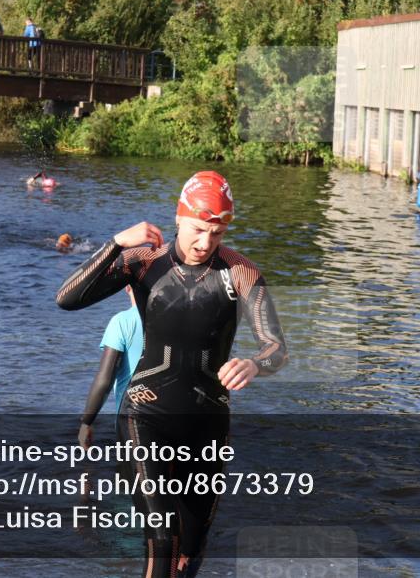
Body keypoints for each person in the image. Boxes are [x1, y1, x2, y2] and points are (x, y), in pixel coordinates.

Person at [56, 171, 288, 578]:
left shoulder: (240, 272)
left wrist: (255, 363)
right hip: (145, 414)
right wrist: (115, 244)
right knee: (163, 538)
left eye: (216, 234)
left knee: (191, 550)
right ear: (179, 218)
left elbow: (277, 347)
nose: (205, 243)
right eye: (198, 229)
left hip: (207, 422)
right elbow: (67, 298)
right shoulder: (143, 262)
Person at [77, 285, 144, 448]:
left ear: (127, 287)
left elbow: (105, 380)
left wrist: (87, 422)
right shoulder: (175, 318)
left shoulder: (122, 322)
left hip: (133, 417)